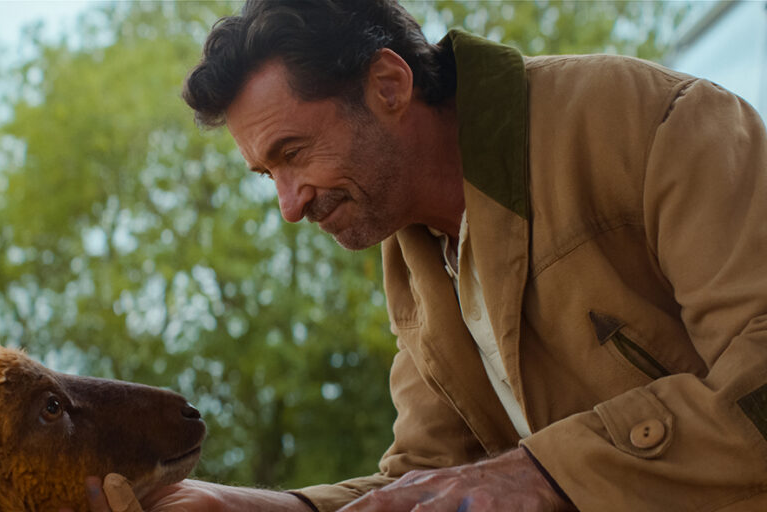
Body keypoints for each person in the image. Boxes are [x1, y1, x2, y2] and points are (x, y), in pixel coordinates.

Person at [92, 0, 767, 510]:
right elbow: (420, 483)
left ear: (390, 85)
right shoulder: (411, 253)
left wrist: (541, 472)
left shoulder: (656, 123)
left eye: (293, 155)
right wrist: (237, 506)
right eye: (267, 175)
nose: (290, 206)